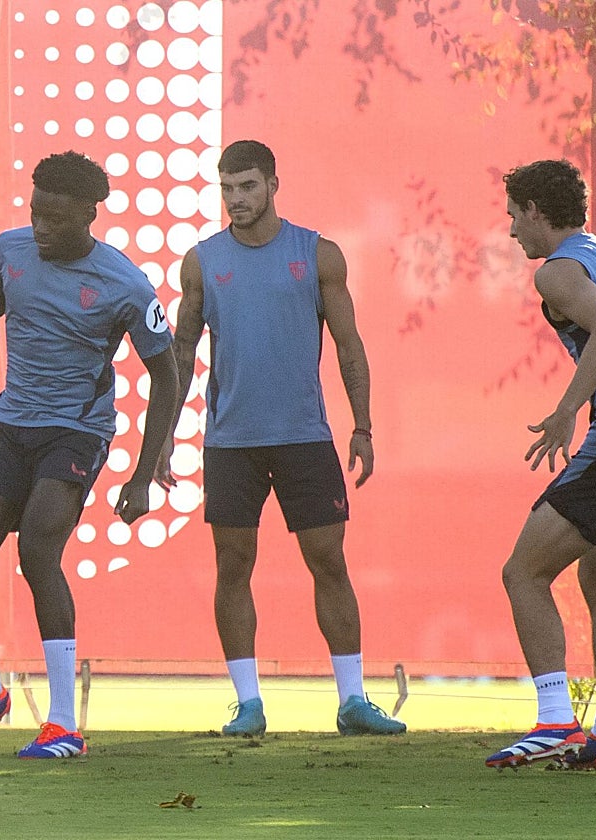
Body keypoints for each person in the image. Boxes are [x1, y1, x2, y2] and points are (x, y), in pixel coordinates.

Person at [0, 150, 179, 758]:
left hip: (76, 433)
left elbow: (167, 374)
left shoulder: (127, 285)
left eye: (56, 219)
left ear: (89, 213)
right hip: (11, 425)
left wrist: (143, 473)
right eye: (36, 214)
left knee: (37, 550)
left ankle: (63, 724)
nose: (42, 228)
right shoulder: (10, 251)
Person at [166, 140, 405, 738]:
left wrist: (364, 426)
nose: (236, 199)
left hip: (304, 438)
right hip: (230, 443)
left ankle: (352, 700)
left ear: (274, 184)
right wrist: (163, 439)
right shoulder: (201, 261)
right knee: (234, 566)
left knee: (329, 562)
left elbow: (350, 345)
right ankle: (248, 705)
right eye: (227, 188)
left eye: (247, 186)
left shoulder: (318, 253)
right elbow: (180, 352)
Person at [484, 159, 596, 770]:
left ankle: (555, 721)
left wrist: (566, 410)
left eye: (513, 217)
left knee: (522, 573)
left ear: (537, 214)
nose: (511, 230)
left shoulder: (557, 273)